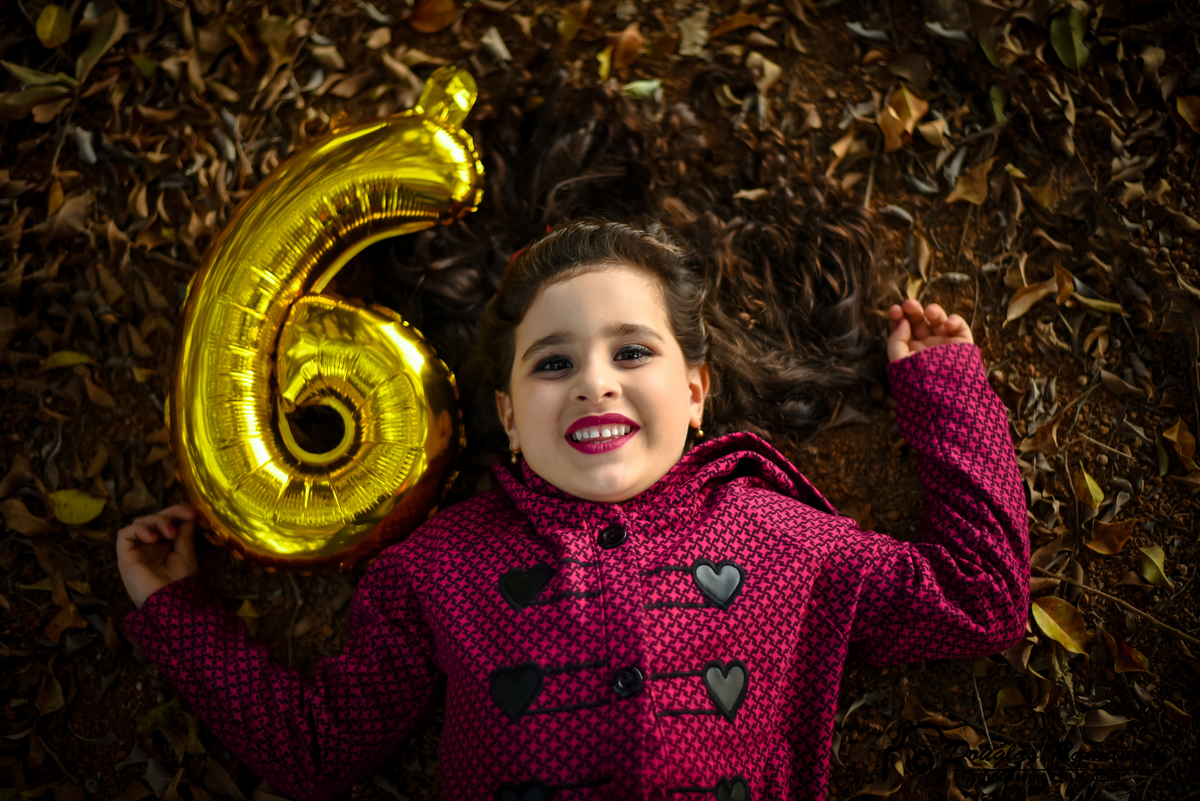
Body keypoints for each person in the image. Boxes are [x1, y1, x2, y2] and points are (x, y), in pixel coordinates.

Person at [117, 219, 1029, 801]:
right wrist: (174, 609)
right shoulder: (438, 568)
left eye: (631, 352)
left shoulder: (777, 537)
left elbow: (980, 599)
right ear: (511, 416)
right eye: (553, 363)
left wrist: (941, 386)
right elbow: (317, 747)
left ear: (696, 391)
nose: (594, 382)